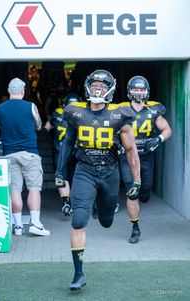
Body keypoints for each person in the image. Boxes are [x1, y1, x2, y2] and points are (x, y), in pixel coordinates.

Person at [55, 70, 141, 290]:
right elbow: (67, 143)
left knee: (106, 221)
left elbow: (131, 151)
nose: (97, 88)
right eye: (94, 85)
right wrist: (60, 171)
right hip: (84, 172)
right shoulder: (74, 112)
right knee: (78, 221)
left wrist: (136, 181)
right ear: (87, 87)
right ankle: (78, 274)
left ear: (110, 90)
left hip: (110, 173)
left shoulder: (119, 115)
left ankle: (99, 207)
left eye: (102, 86)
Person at [0, 78, 50, 236]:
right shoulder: (30, 106)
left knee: (15, 191)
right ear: (23, 91)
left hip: (9, 154)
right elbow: (38, 125)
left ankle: (17, 226)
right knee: (34, 188)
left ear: (9, 91)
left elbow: (0, 125)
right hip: (30, 153)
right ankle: (35, 223)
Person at [119, 75, 172, 244]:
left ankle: (143, 194)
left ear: (147, 91)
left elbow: (167, 130)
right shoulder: (121, 110)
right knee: (131, 192)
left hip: (147, 156)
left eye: (142, 89)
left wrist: (159, 139)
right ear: (130, 91)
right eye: (136, 89)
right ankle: (135, 228)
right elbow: (110, 128)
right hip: (128, 156)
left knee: (145, 192)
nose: (139, 92)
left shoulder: (154, 110)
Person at [44, 92, 81, 216]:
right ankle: (78, 203)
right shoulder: (83, 115)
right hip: (77, 152)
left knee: (62, 177)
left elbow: (46, 127)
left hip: (60, 152)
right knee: (78, 177)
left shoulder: (57, 113)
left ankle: (66, 202)